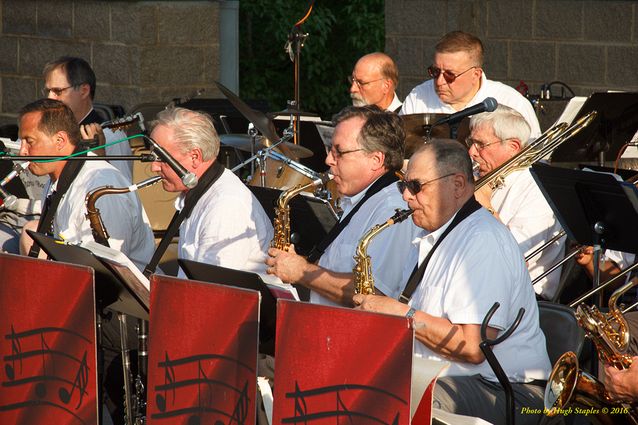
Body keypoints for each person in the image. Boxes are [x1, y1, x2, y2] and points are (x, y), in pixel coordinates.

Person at [353, 139, 551, 425]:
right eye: (403, 186)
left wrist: (397, 314)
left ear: (458, 184)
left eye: (417, 186)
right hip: (454, 377)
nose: (406, 197)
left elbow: (472, 347)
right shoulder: (433, 233)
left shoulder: (482, 240)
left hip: (505, 389)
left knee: (397, 397)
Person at [265, 105, 418, 307]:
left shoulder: (392, 209)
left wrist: (303, 272)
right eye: (330, 150)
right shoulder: (360, 199)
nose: (328, 160)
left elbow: (373, 293)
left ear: (376, 159)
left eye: (340, 152)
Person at [17, 99, 155, 269]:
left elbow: (109, 270)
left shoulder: (100, 186)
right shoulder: (56, 180)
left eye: (29, 141)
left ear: (60, 141)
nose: (22, 152)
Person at [148, 107, 273, 276]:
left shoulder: (226, 205)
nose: (153, 167)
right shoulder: (201, 190)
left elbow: (212, 289)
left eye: (161, 158)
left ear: (195, 157)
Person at [469, 105, 565, 300]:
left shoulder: (536, 188)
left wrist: (485, 205)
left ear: (513, 147)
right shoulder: (477, 174)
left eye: (480, 144)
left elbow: (517, 258)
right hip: (475, 281)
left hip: (520, 296)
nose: (471, 152)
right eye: (470, 142)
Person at [400, 31, 541, 139]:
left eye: (450, 75)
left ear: (476, 74)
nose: (439, 81)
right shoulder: (419, 96)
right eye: (435, 71)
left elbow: (534, 158)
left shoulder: (512, 102)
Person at [43, 56, 133, 181]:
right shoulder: (52, 133)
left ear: (84, 91)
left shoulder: (111, 136)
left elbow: (123, 191)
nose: (50, 98)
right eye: (48, 91)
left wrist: (100, 158)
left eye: (58, 91)